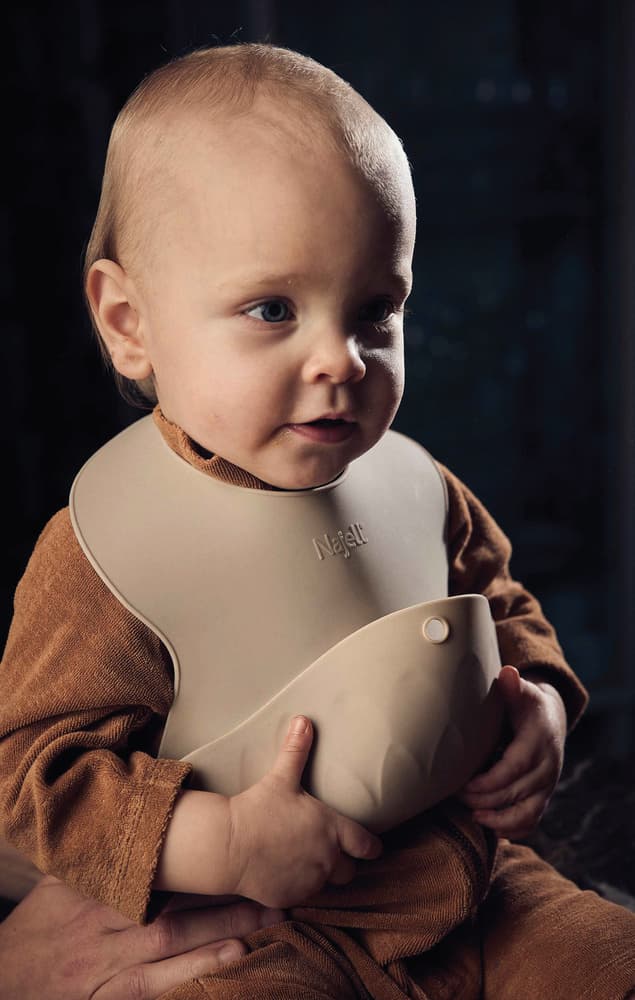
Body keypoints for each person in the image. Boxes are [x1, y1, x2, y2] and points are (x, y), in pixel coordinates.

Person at [0, 41, 633, 999]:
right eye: (271, 308)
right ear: (128, 323)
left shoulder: (417, 487)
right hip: (256, 928)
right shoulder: (106, 548)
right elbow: (34, 776)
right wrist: (215, 841)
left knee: (609, 957)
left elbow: (502, 608)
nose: (341, 358)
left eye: (375, 310)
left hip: (470, 878)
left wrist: (537, 706)